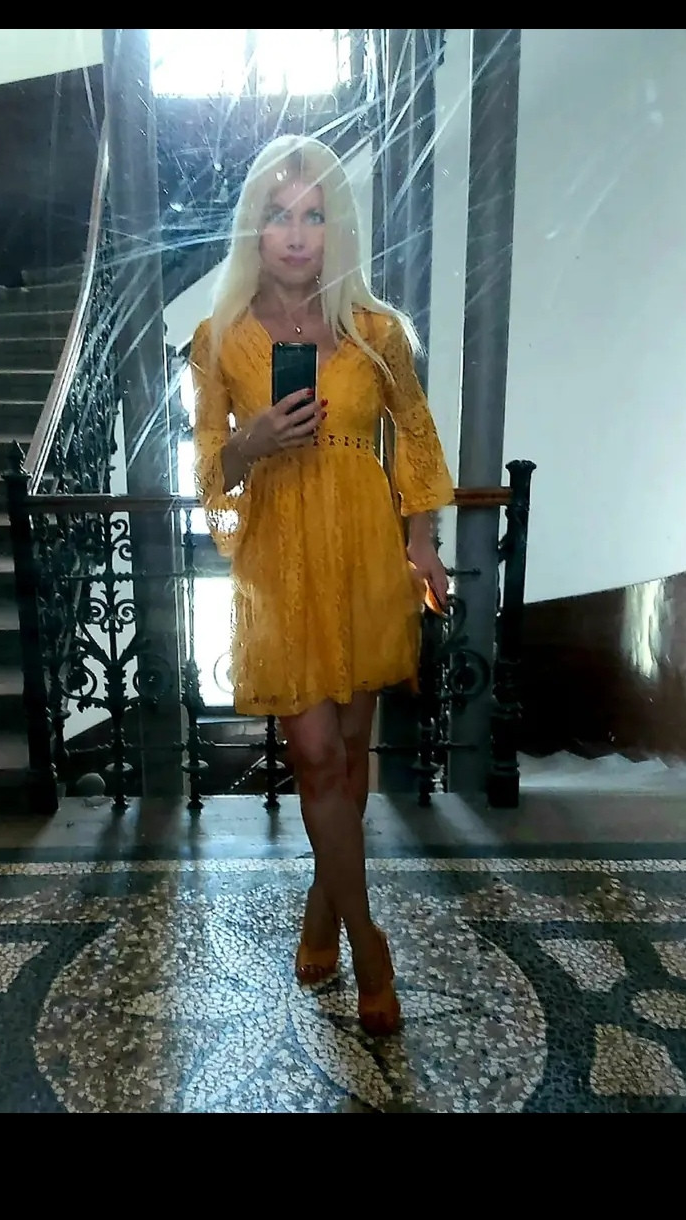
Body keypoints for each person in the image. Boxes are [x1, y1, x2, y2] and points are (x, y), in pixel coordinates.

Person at [189, 135, 454, 1036]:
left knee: (347, 752)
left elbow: (415, 435)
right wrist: (252, 440)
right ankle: (369, 943)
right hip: (280, 564)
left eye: (314, 215)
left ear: (338, 228)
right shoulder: (219, 338)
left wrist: (422, 541)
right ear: (253, 229)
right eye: (278, 215)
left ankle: (321, 906)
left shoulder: (377, 334)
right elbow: (209, 469)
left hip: (364, 558)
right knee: (315, 757)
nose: (297, 234)